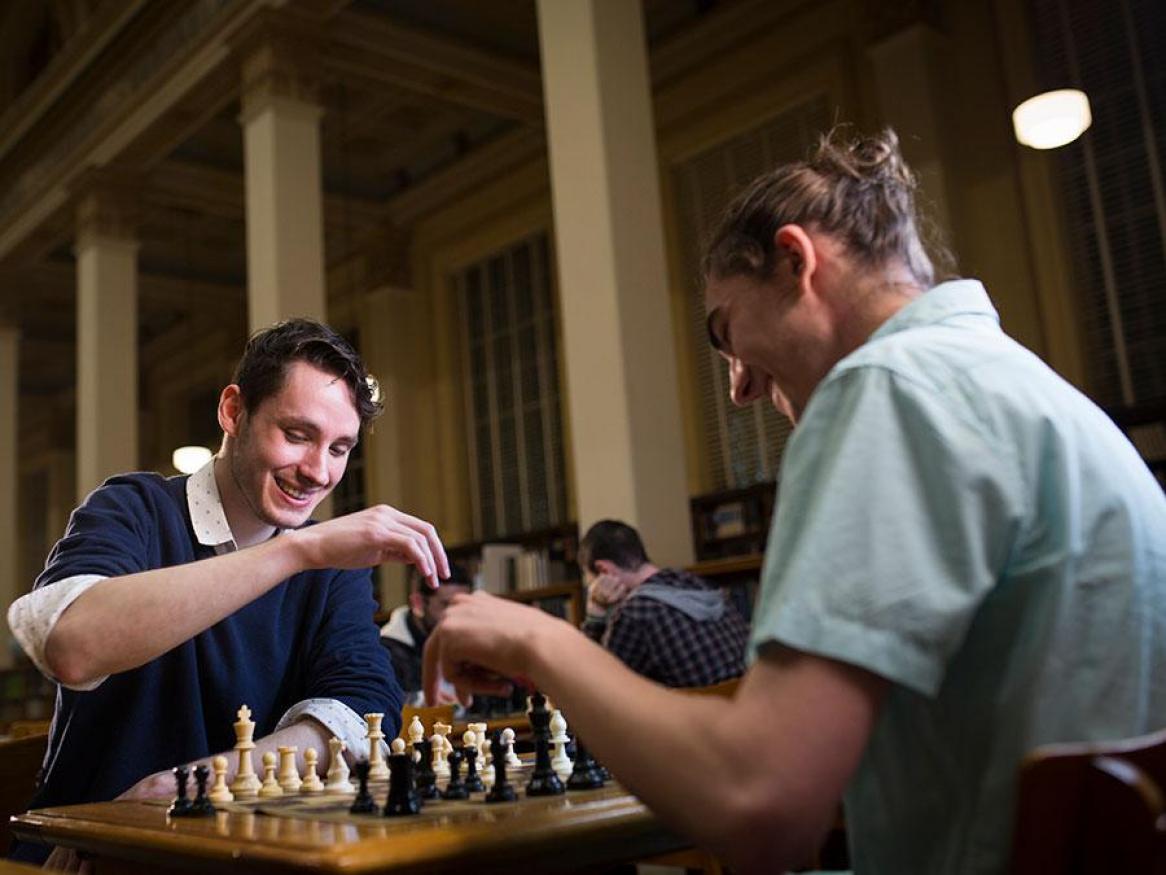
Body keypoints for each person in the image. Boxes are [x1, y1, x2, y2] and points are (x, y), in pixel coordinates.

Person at [422, 129, 1166, 874]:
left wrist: (540, 641)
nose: (739, 388)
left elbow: (758, 804)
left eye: (727, 333)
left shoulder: (886, 387)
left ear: (796, 260)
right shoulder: (1019, 386)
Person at [7, 318, 449, 868]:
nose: (319, 471)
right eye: (297, 435)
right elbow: (71, 646)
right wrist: (297, 551)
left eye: (340, 448)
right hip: (87, 858)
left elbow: (363, 707)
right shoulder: (134, 508)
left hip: (244, 856)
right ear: (233, 412)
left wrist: (193, 783)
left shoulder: (333, 567)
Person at [579, 520, 748, 688]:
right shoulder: (700, 584)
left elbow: (593, 687)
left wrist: (596, 614)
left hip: (693, 705)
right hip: (740, 700)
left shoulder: (635, 613)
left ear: (604, 571)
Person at [380, 563, 473, 704]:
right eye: (446, 605)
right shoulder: (386, 651)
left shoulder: (471, 639)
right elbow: (382, 701)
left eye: (463, 606)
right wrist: (420, 700)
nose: (457, 616)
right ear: (418, 603)